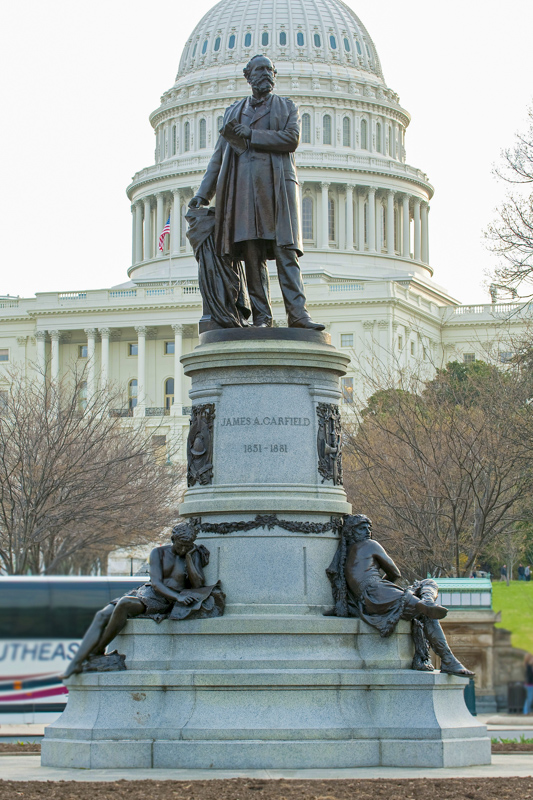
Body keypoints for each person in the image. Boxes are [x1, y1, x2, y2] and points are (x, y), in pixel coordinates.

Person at [189, 54, 324, 331]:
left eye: (269, 70)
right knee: (252, 257)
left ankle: (298, 314)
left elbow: (291, 139)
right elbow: (218, 156)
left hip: (277, 191)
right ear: (247, 76)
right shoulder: (233, 112)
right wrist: (203, 194)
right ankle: (263, 317)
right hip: (242, 195)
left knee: (285, 253)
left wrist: (250, 134)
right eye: (259, 70)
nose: (265, 74)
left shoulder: (286, 107)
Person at [61, 523, 225, 678]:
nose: (183, 549)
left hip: (164, 602)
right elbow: (156, 583)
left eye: (187, 545)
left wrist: (189, 558)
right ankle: (75, 663)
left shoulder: (193, 554)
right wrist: (178, 596)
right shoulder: (158, 553)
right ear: (173, 540)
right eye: (180, 545)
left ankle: (95, 652)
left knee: (124, 603)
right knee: (102, 614)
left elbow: (198, 584)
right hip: (149, 592)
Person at [325, 514, 474, 677]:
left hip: (367, 600)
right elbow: (395, 573)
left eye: (369, 527)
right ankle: (448, 658)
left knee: (424, 588)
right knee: (427, 594)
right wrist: (387, 589)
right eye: (362, 528)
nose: (367, 531)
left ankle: (426, 601)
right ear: (352, 532)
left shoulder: (344, 555)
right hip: (378, 590)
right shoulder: (370, 544)